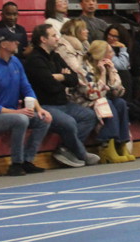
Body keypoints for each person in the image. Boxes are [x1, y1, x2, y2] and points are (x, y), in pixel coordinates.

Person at [0, 27, 52, 176]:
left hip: (12, 113)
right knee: (21, 119)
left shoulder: (15, 62)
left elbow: (27, 88)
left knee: (43, 119)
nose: (17, 42)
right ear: (3, 44)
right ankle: (16, 164)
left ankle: (27, 160)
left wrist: (39, 109)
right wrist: (16, 112)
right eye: (13, 40)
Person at [23, 24, 99, 168]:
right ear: (43, 39)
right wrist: (63, 78)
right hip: (45, 106)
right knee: (69, 122)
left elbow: (74, 79)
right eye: (53, 36)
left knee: (89, 116)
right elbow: (49, 86)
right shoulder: (34, 60)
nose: (58, 38)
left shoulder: (56, 56)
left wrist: (60, 77)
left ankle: (65, 149)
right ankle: (82, 154)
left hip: (63, 103)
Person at [79, 40, 133, 163]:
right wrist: (103, 74)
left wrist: (111, 74)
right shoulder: (84, 69)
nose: (113, 54)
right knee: (107, 104)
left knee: (121, 103)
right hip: (86, 102)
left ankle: (121, 143)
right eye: (110, 52)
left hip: (103, 101)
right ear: (101, 54)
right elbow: (93, 94)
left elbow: (119, 92)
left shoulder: (110, 66)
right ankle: (106, 145)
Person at [104, 24, 133, 97]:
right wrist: (122, 48)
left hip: (117, 75)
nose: (111, 38)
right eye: (109, 35)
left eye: (115, 36)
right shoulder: (105, 47)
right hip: (106, 75)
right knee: (124, 73)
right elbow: (122, 66)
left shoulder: (127, 48)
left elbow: (127, 66)